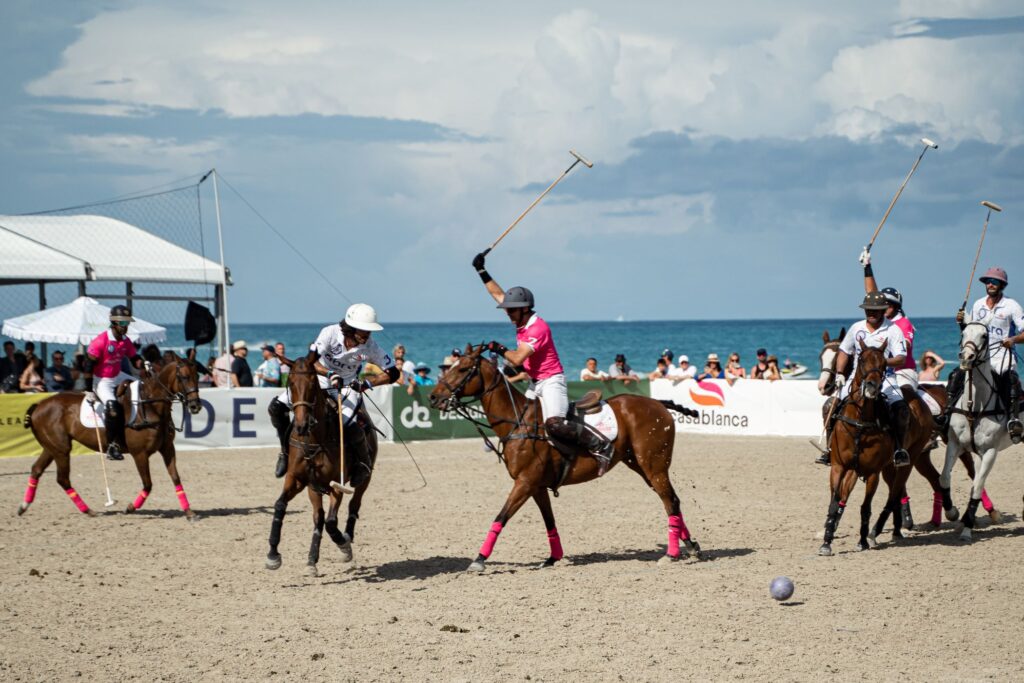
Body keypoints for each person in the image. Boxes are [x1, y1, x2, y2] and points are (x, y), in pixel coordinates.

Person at [472, 251, 614, 474]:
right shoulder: (520, 317)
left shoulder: (537, 328)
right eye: (507, 309)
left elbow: (517, 358)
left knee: (554, 424)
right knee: (522, 422)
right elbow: (498, 294)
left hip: (551, 382)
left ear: (524, 308)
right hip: (535, 383)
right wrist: (481, 270)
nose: (507, 313)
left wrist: (498, 348)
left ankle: (601, 446)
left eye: (511, 310)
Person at [267, 303, 399, 478]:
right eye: (364, 330)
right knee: (276, 408)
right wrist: (329, 373)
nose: (367, 334)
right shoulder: (330, 333)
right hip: (318, 381)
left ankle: (363, 464)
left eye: (369, 331)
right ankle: (285, 453)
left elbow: (393, 373)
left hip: (346, 387)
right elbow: (311, 360)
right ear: (351, 328)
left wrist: (367, 383)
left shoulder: (370, 347)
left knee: (350, 425)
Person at [823, 291, 911, 467]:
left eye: (875, 310)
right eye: (868, 309)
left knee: (901, 410)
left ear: (883, 310)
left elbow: (901, 358)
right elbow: (844, 351)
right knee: (829, 406)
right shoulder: (856, 328)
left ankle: (898, 450)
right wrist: (840, 373)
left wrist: (878, 363)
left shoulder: (893, 330)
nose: (871, 313)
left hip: (885, 379)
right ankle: (830, 448)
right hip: (856, 379)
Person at [939, 267, 1024, 443]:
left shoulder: (1012, 306)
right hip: (980, 357)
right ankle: (946, 415)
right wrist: (961, 322)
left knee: (1011, 381)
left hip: (1002, 357)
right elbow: (971, 330)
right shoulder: (978, 304)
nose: (990, 284)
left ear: (1002, 285)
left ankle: (1014, 420)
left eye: (995, 282)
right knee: (955, 376)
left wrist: (1013, 339)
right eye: (988, 281)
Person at [85, 305, 143, 460]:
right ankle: (111, 446)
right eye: (122, 323)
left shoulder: (125, 341)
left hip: (117, 375)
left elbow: (134, 358)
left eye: (127, 323)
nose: (125, 326)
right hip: (101, 380)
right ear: (114, 323)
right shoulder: (100, 341)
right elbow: (88, 366)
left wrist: (143, 363)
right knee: (113, 408)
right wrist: (88, 389)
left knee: (142, 388)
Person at [860, 247, 917, 390]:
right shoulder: (880, 322)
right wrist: (867, 267)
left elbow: (905, 346)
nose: (884, 308)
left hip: (903, 371)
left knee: (903, 395)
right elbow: (871, 293)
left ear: (896, 307)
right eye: (882, 305)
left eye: (888, 305)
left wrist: (879, 358)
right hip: (879, 369)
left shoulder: (903, 323)